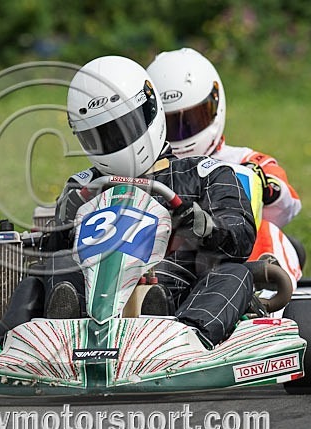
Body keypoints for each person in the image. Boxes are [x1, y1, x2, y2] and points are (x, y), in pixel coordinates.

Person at [49, 55, 257, 348]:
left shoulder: (204, 173)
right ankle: (44, 335)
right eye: (100, 136)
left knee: (234, 273)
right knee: (54, 267)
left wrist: (205, 227)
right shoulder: (83, 186)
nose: (112, 143)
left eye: (122, 129)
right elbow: (53, 244)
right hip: (93, 293)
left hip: (179, 290)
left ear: (149, 111)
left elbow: (240, 237)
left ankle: (184, 338)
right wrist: (61, 227)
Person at [146, 48, 303, 288]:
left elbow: (289, 205)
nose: (182, 133)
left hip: (232, 256)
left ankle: (270, 294)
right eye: (170, 125)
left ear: (215, 106)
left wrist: (267, 186)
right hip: (168, 260)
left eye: (191, 120)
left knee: (265, 231)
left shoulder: (244, 160)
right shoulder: (149, 168)